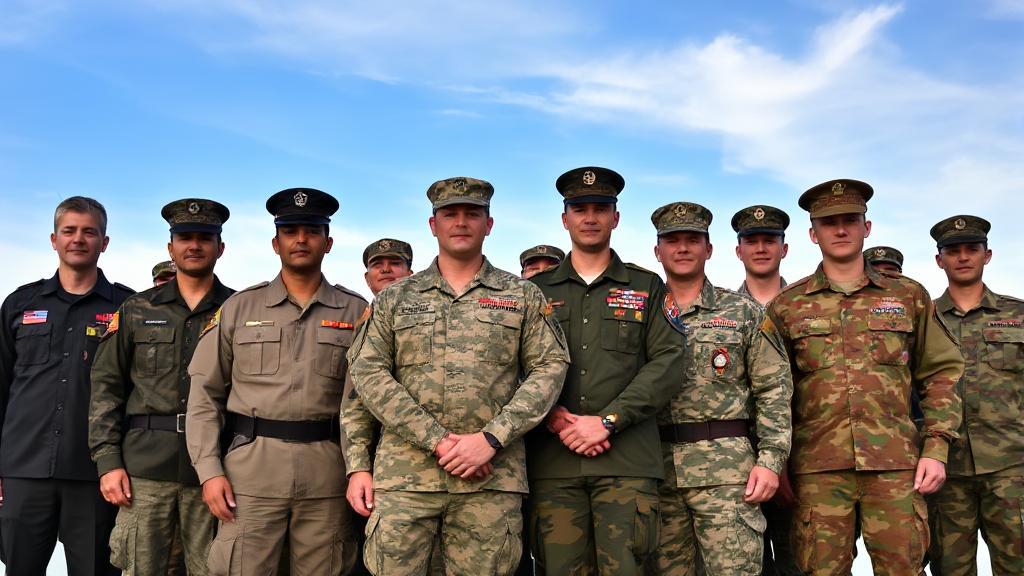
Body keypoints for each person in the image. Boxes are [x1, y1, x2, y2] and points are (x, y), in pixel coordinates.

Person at [346, 177, 569, 575]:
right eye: (450, 214)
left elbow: (550, 368)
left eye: (473, 214)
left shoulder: (521, 296)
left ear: (489, 223)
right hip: (406, 481)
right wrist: (436, 442)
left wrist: (490, 438)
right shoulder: (396, 298)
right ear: (433, 225)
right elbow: (368, 374)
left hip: (490, 480)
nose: (461, 222)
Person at [765, 179, 964, 575]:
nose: (840, 230)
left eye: (850, 220)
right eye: (829, 222)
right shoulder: (787, 307)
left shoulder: (908, 296)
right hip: (817, 470)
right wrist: (777, 463)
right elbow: (772, 391)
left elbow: (940, 373)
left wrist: (936, 447)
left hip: (895, 466)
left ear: (866, 228)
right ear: (812, 233)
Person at [187, 187, 366, 575]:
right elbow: (204, 395)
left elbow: (365, 405)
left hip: (328, 477)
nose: (301, 239)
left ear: (328, 242)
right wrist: (210, 472)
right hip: (250, 478)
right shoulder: (239, 307)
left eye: (312, 230)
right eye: (290, 231)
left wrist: (360, 470)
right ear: (275, 242)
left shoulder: (356, 311)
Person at [527, 166, 685, 576]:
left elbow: (668, 362)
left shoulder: (647, 286)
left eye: (601, 208)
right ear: (565, 219)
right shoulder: (534, 292)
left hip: (626, 465)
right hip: (553, 466)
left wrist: (609, 421)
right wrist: (555, 418)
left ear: (616, 217)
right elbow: (513, 367)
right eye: (580, 208)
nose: (591, 217)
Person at [89, 198, 233, 575]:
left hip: (214, 473)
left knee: (215, 569)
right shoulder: (137, 310)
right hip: (145, 472)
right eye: (185, 237)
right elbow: (106, 386)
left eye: (205, 237)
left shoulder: (239, 309)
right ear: (171, 248)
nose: (195, 245)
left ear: (220, 247)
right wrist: (107, 461)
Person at [648, 202, 792, 575]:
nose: (682, 248)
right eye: (672, 240)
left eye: (693, 240)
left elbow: (774, 390)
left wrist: (771, 462)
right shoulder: (643, 312)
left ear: (708, 249)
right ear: (657, 250)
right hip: (658, 474)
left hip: (728, 476)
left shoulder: (743, 312)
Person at [0, 196, 132, 575]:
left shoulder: (129, 308)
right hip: (24, 469)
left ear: (104, 242)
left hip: (94, 475)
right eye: (69, 231)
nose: (78, 239)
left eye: (89, 232)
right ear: (54, 239)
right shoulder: (20, 304)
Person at [928, 215, 1024, 575]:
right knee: (951, 567)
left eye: (973, 249)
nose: (963, 257)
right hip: (946, 469)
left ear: (988, 255)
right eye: (953, 251)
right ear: (940, 260)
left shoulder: (1017, 315)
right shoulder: (926, 318)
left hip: (1011, 466)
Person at [342, 237, 424, 576]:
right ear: (367, 278)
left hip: (418, 460)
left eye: (395, 263)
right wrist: (358, 465)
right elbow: (354, 400)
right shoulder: (363, 320)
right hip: (370, 456)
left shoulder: (429, 317)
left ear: (412, 272)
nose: (386, 269)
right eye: (378, 265)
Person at [732, 205, 790, 306]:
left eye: (769, 242)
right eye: (751, 242)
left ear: (784, 250)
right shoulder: (722, 312)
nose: (760, 249)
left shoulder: (807, 305)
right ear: (739, 252)